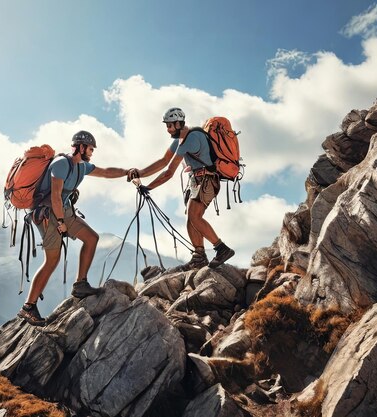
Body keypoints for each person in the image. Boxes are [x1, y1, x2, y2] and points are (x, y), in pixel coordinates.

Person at [17, 130, 130, 326]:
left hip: (64, 211)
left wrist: (128, 172)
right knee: (52, 260)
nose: (92, 152)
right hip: (48, 214)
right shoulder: (61, 164)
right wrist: (60, 222)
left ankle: (80, 285)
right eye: (90, 148)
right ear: (80, 147)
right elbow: (55, 195)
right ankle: (28, 307)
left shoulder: (82, 166)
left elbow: (105, 172)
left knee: (91, 238)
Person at [127, 107, 235, 271]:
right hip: (198, 180)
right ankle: (199, 257)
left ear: (178, 123)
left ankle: (222, 249)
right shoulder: (180, 139)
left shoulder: (190, 139)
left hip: (206, 180)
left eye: (170, 125)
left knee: (194, 215)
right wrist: (140, 173)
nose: (168, 129)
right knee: (191, 219)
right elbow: (163, 160)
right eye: (167, 125)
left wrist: (148, 186)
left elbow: (169, 172)